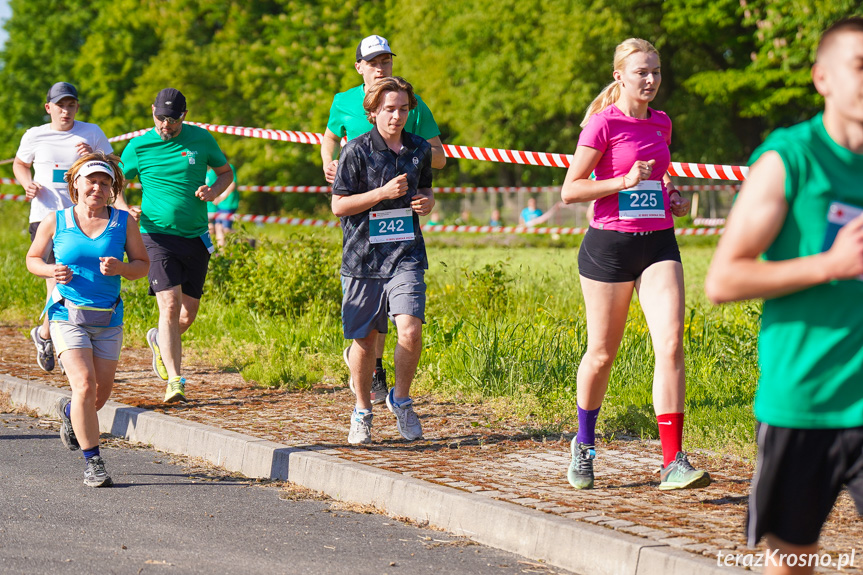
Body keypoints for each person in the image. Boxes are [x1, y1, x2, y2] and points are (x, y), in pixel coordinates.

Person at [705, 18, 863, 574]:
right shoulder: (790, 159)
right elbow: (723, 281)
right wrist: (830, 265)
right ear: (823, 77)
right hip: (805, 402)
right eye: (861, 66)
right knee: (793, 563)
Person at [560, 38, 709, 491]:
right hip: (610, 247)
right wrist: (622, 181)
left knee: (671, 343)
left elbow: (661, 171)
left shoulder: (662, 123)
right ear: (619, 76)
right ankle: (584, 445)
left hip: (659, 243)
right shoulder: (602, 125)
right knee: (603, 354)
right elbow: (571, 190)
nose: (650, 80)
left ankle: (672, 461)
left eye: (656, 72)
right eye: (642, 72)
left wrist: (673, 194)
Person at [322, 34, 446, 406]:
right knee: (368, 325)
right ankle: (369, 370)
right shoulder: (343, 102)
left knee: (406, 321)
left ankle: (384, 382)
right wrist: (331, 162)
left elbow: (436, 159)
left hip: (403, 224)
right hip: (361, 214)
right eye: (373, 62)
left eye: (386, 61)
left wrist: (417, 160)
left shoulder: (411, 103)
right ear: (359, 66)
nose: (381, 67)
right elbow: (329, 137)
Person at [25, 152, 149, 487]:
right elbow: (33, 258)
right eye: (91, 180)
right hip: (67, 314)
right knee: (84, 384)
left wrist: (122, 268)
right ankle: (93, 462)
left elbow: (142, 265)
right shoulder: (57, 220)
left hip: (108, 317)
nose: (97, 186)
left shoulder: (124, 222)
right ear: (76, 184)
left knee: (99, 395)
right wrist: (51, 270)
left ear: (111, 189)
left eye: (104, 182)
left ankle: (69, 414)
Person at [331, 76, 435, 445]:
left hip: (406, 254)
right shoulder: (356, 151)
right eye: (390, 109)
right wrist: (381, 194)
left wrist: (427, 203)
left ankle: (402, 400)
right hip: (362, 259)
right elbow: (339, 205)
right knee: (364, 340)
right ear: (373, 111)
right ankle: (362, 409)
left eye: (403, 109)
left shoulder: (419, 148)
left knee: (410, 329)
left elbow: (425, 190)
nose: (397, 116)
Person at [120, 88, 233, 403]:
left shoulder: (201, 139)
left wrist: (213, 191)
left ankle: (159, 340)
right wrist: (124, 206)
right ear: (152, 111)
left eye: (172, 119)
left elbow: (226, 172)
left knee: (187, 314)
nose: (165, 125)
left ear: (184, 115)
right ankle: (175, 381)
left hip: (195, 236)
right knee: (168, 306)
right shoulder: (139, 145)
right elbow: (117, 179)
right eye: (160, 118)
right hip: (155, 235)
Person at [14, 82, 116, 373]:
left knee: (74, 284)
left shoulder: (91, 132)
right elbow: (20, 164)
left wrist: (94, 155)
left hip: (84, 219)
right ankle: (65, 346)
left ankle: (46, 334)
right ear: (49, 108)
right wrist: (26, 183)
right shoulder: (34, 135)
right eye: (60, 105)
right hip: (47, 217)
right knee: (58, 282)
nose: (66, 111)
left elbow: (111, 166)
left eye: (71, 105)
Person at [206, 163, 239, 247]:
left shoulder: (225, 169)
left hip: (224, 205)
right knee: (217, 228)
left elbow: (231, 185)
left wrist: (219, 198)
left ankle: (245, 240)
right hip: (215, 205)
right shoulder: (207, 172)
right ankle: (220, 252)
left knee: (225, 229)